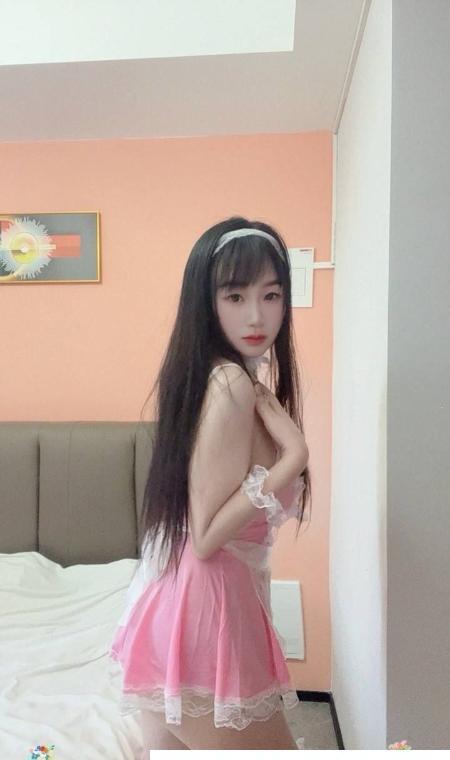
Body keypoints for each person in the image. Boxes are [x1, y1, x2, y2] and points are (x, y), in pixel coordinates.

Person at [108, 216, 311, 753]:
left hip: (193, 606)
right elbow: (206, 534)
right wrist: (293, 457)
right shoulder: (230, 383)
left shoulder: (229, 377)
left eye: (271, 295)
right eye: (235, 296)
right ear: (207, 301)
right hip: (207, 612)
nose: (256, 315)